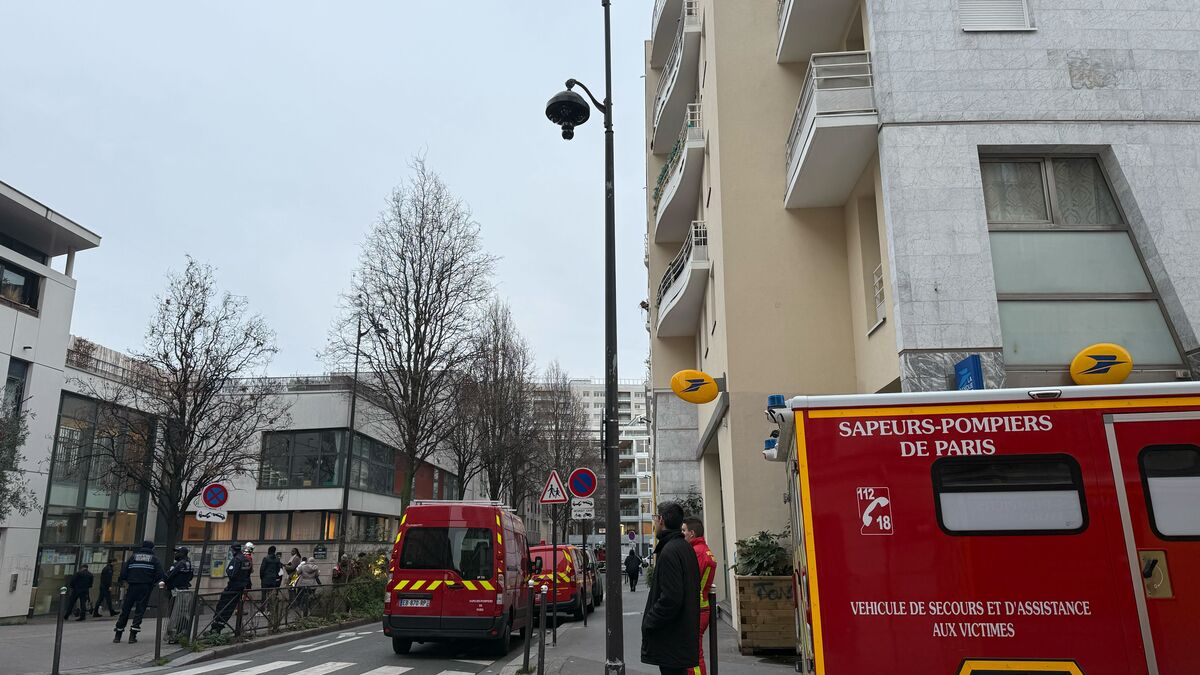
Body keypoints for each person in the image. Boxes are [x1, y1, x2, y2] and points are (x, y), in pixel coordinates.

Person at [641, 502, 700, 675]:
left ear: (661, 520)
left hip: (671, 636)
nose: (654, 523)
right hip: (681, 633)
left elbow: (671, 597)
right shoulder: (685, 548)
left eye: (655, 518)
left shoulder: (669, 551)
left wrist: (649, 621)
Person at [683, 517, 718, 675]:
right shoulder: (705, 550)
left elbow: (689, 580)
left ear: (692, 533)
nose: (682, 534)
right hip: (701, 606)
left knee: (694, 656)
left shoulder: (696, 552)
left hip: (696, 608)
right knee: (694, 652)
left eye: (684, 531)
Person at [114, 540, 165, 644]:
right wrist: (153, 582)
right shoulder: (154, 559)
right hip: (145, 586)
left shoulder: (133, 557)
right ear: (152, 548)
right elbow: (160, 574)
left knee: (126, 610)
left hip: (132, 585)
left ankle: (118, 635)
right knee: (140, 610)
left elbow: (124, 571)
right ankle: (133, 635)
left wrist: (125, 580)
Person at [207, 543, 252, 635]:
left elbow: (231, 573)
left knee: (222, 607)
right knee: (230, 609)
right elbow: (248, 574)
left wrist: (228, 571)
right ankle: (219, 628)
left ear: (232, 550)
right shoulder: (246, 560)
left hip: (232, 587)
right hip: (241, 588)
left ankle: (215, 629)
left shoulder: (236, 560)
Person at [164, 546, 194, 643]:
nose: (175, 554)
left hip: (176, 591)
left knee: (175, 613)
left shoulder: (179, 564)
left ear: (182, 553)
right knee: (183, 612)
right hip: (184, 590)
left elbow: (169, 575)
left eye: (177, 552)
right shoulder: (188, 563)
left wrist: (165, 581)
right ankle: (182, 632)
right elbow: (190, 577)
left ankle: (173, 635)